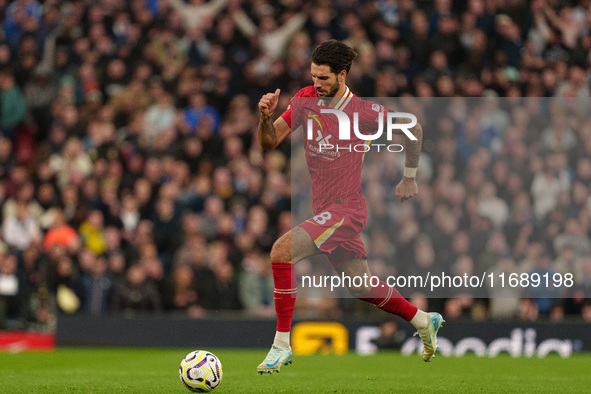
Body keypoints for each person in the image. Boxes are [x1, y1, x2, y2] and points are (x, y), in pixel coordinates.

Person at [255, 39, 444, 374]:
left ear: (342, 75)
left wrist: (410, 176)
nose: (316, 83)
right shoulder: (304, 100)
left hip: (347, 208)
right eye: (313, 75)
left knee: (281, 251)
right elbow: (269, 142)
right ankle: (422, 320)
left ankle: (281, 345)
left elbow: (413, 129)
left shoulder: (364, 113)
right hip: (324, 210)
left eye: (323, 78)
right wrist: (265, 117)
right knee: (360, 285)